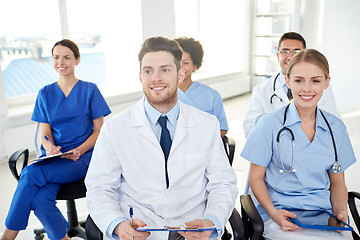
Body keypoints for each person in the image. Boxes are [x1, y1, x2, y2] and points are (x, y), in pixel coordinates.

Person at [85, 36, 238, 240]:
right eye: (148, 71)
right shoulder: (115, 128)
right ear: (140, 76)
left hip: (193, 229)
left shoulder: (207, 124)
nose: (156, 78)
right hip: (139, 230)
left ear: (180, 74)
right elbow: (99, 187)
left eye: (165, 69)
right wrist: (117, 224)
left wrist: (212, 220)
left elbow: (222, 183)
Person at [1, 39, 111, 240]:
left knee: (29, 173)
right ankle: (62, 238)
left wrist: (80, 150)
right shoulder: (45, 93)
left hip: (83, 156)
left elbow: (99, 130)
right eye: (56, 57)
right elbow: (45, 133)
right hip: (55, 158)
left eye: (67, 57)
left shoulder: (90, 90)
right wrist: (49, 146)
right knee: (41, 200)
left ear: (77, 60)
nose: (61, 62)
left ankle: (7, 237)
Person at [240, 49, 356, 239]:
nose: (306, 88)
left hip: (322, 216)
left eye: (316, 81)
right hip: (280, 214)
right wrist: (274, 214)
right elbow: (256, 179)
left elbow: (337, 183)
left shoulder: (336, 129)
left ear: (327, 82)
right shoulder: (269, 125)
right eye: (299, 80)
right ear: (288, 81)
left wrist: (340, 212)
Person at [243, 32, 340, 138]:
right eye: (285, 51)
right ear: (278, 55)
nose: (291, 56)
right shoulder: (262, 90)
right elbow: (250, 127)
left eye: (297, 51)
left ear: (305, 55)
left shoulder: (320, 86)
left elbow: (333, 123)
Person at [175, 37, 229, 138]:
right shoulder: (163, 94)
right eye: (177, 62)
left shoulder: (212, 95)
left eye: (185, 63)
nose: (180, 67)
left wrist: (201, 142)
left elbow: (222, 129)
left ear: (195, 66)